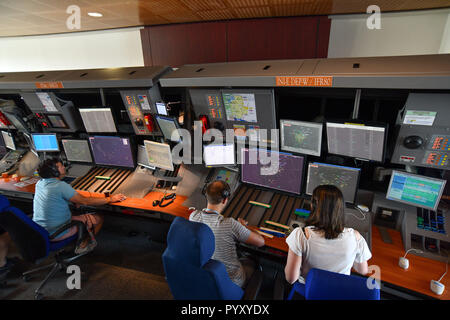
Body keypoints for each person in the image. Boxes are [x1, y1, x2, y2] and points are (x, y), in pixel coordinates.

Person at [33, 159, 126, 254]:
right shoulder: (60, 186)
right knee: (99, 217)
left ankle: (77, 242)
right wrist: (110, 199)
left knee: (77, 212)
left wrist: (75, 200)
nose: (64, 167)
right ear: (54, 171)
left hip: (40, 230)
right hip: (55, 233)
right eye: (61, 166)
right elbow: (85, 201)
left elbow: (55, 198)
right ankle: (83, 246)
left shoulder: (40, 183)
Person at [284, 185, 372, 285]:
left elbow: (291, 278)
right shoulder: (356, 237)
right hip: (337, 292)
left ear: (313, 206)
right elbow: (362, 270)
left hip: (309, 290)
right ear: (341, 209)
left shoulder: (301, 235)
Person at [189, 180, 265, 288]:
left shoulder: (193, 216)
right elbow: (261, 242)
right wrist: (244, 227)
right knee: (252, 262)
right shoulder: (230, 224)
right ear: (225, 200)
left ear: (207, 196)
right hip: (231, 281)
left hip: (206, 275)